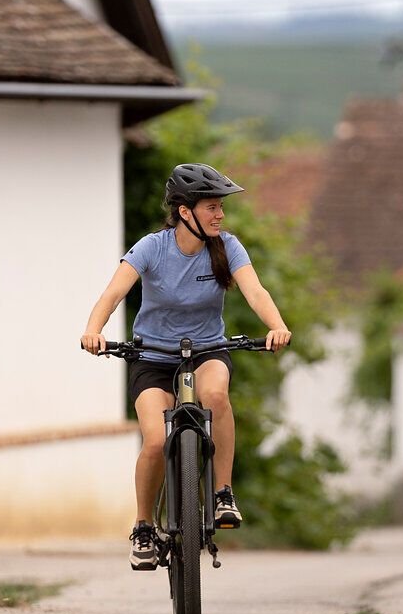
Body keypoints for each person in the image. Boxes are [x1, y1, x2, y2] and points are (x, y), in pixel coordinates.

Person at [81, 162, 292, 570]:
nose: (220, 215)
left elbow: (255, 291)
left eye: (220, 207)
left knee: (215, 395)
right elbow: (113, 293)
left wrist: (277, 326)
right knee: (157, 441)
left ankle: (222, 493)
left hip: (207, 349)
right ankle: (144, 526)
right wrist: (93, 330)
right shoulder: (151, 248)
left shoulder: (228, 247)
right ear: (185, 212)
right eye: (211, 207)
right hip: (153, 357)